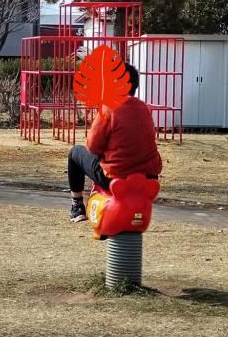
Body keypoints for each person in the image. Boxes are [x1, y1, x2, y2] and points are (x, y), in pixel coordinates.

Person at [68, 64, 162, 222]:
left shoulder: (109, 107)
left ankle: (77, 206)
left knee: (75, 153)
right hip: (149, 177)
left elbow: (92, 146)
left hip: (117, 178)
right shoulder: (144, 108)